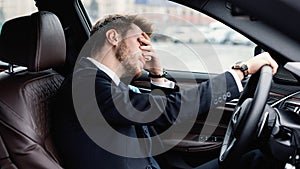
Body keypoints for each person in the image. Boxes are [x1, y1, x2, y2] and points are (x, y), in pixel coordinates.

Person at [51, 14, 279, 169]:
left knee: (254, 159)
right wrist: (240, 71)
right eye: (140, 41)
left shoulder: (107, 83)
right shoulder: (85, 85)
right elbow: (167, 110)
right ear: (113, 37)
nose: (147, 50)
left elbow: (161, 120)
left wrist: (157, 73)